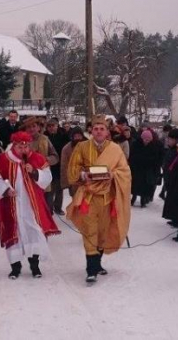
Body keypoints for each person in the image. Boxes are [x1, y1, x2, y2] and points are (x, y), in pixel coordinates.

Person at [66, 115, 132, 284]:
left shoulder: (115, 149)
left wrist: (113, 174)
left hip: (107, 198)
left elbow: (125, 171)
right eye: (96, 129)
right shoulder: (81, 147)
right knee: (90, 232)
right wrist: (84, 175)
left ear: (107, 131)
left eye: (102, 128)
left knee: (103, 233)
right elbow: (73, 169)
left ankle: (97, 264)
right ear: (91, 131)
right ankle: (91, 269)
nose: (99, 131)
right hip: (88, 196)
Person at [0, 131, 60, 279]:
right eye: (20, 147)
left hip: (31, 204)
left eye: (26, 146)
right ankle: (15, 267)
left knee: (34, 231)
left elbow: (47, 177)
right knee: (14, 232)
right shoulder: (4, 159)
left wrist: (34, 172)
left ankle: (35, 266)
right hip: (12, 204)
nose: (24, 150)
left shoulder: (37, 158)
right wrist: (6, 189)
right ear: (14, 146)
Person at [22, 117, 60, 215]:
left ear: (38, 127)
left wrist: (47, 160)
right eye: (29, 127)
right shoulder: (21, 141)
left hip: (44, 178)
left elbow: (55, 156)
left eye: (34, 126)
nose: (31, 129)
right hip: (27, 178)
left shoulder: (45, 139)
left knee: (46, 209)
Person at [128, 130, 163, 207]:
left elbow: (156, 158)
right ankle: (133, 198)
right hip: (137, 169)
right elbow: (132, 156)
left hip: (147, 170)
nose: (146, 141)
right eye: (145, 139)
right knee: (135, 185)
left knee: (145, 186)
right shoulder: (136, 144)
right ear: (142, 138)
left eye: (148, 140)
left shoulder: (153, 146)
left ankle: (143, 200)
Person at [45, 118, 69, 215]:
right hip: (49, 166)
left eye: (53, 126)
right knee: (50, 189)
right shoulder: (45, 137)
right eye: (49, 126)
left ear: (57, 126)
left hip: (60, 165)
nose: (51, 128)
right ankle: (49, 208)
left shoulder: (63, 136)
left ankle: (58, 207)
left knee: (59, 188)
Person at [60, 126, 85, 200]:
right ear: (72, 137)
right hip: (73, 181)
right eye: (75, 136)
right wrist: (66, 183)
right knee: (75, 202)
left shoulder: (88, 146)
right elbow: (64, 166)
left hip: (87, 179)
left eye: (79, 136)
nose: (77, 138)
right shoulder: (66, 149)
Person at [158, 128, 178, 200]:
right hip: (169, 182)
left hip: (174, 184)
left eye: (169, 139)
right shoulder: (171, 149)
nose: (167, 140)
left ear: (175, 140)